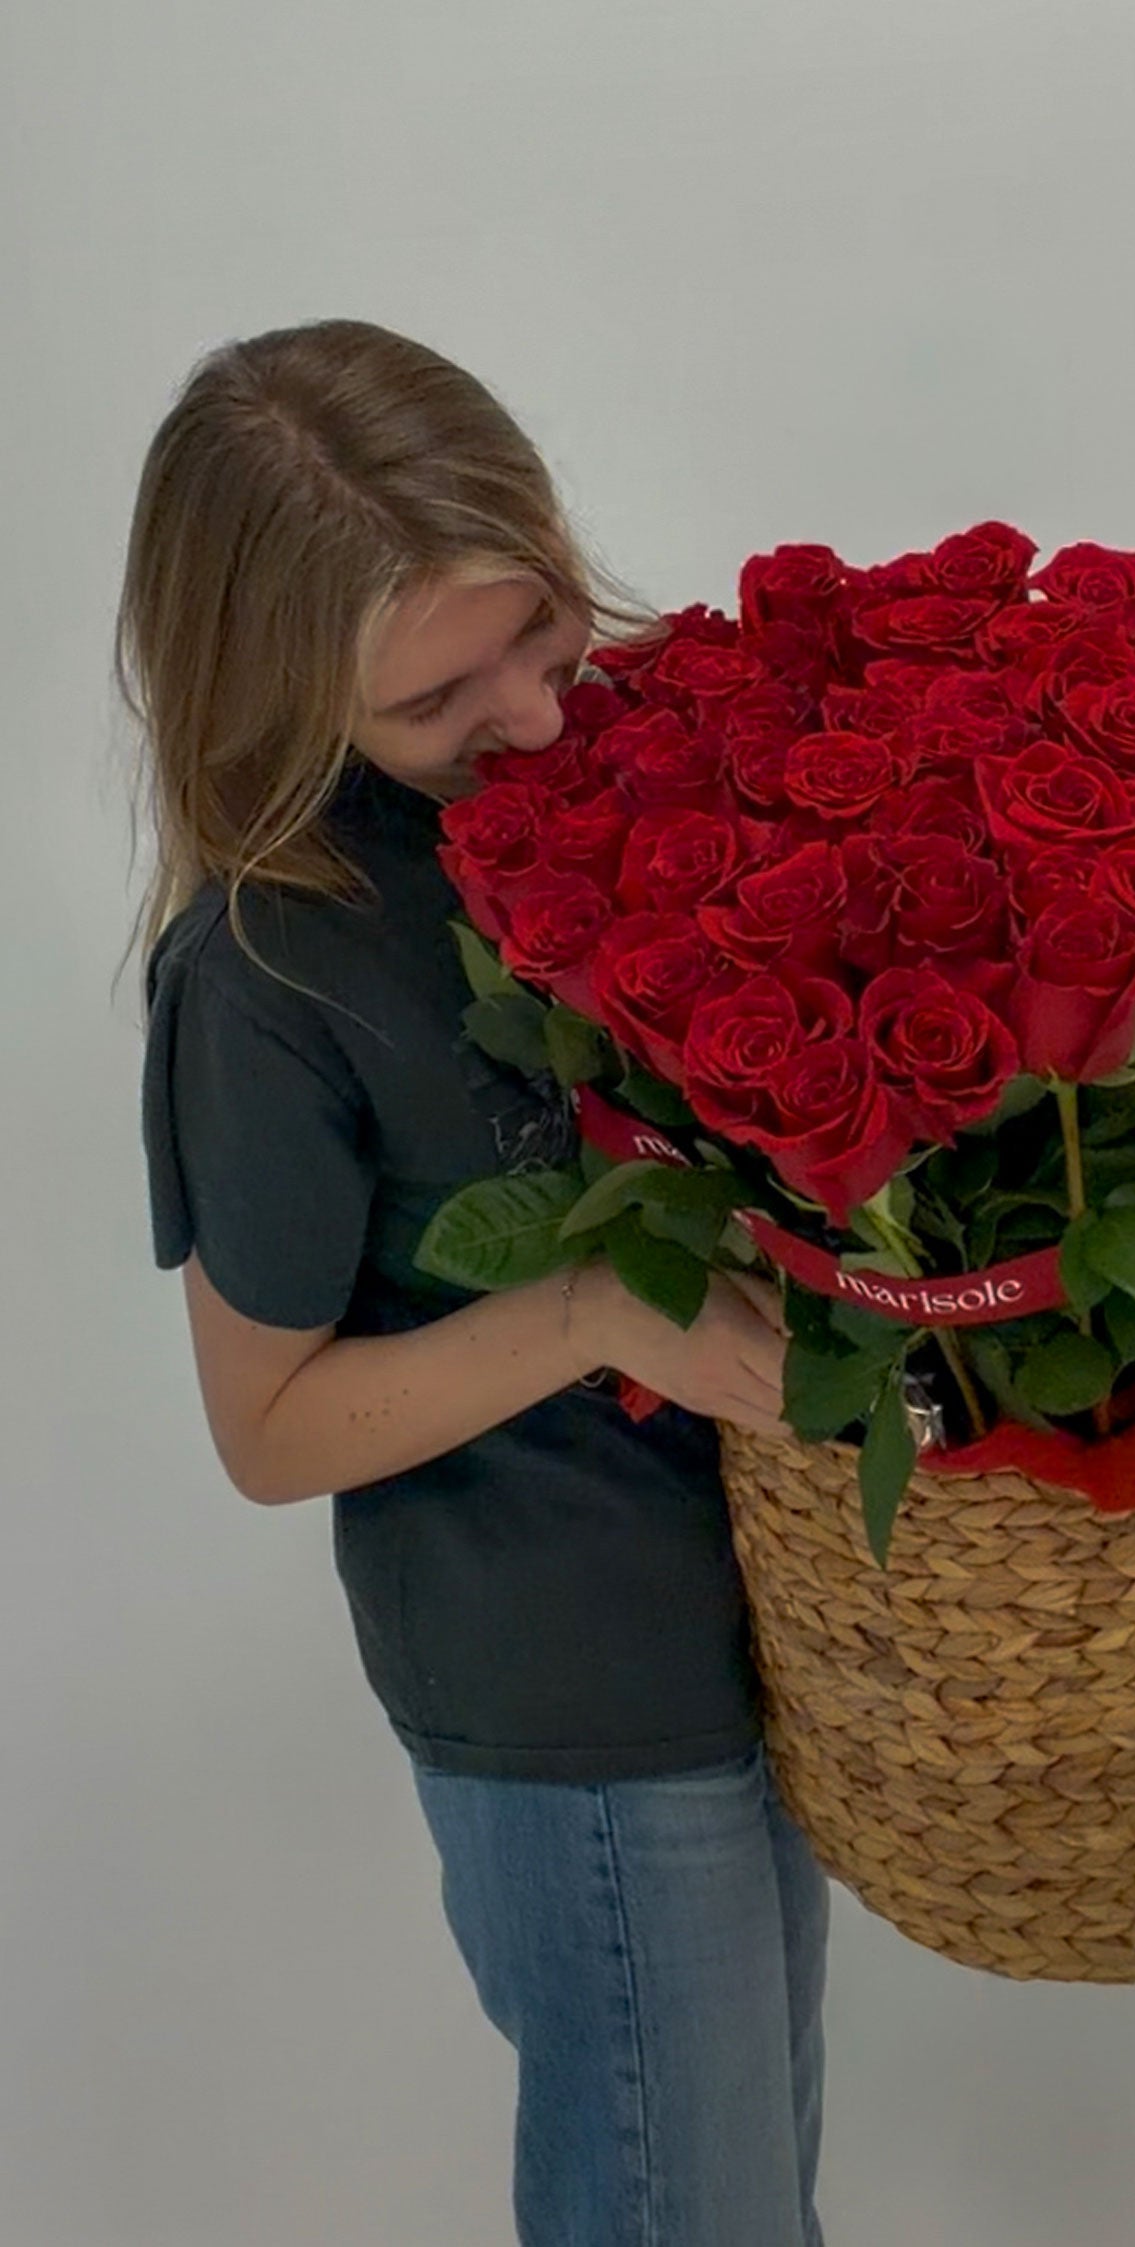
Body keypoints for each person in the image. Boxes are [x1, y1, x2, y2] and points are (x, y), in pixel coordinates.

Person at [119, 316, 830, 2247]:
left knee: (749, 2202)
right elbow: (266, 1433)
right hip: (569, 1691)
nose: (534, 715)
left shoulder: (606, 794)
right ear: (278, 687)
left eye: (549, 636)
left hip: (778, 1638)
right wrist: (592, 1315)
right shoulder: (271, 971)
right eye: (447, 700)